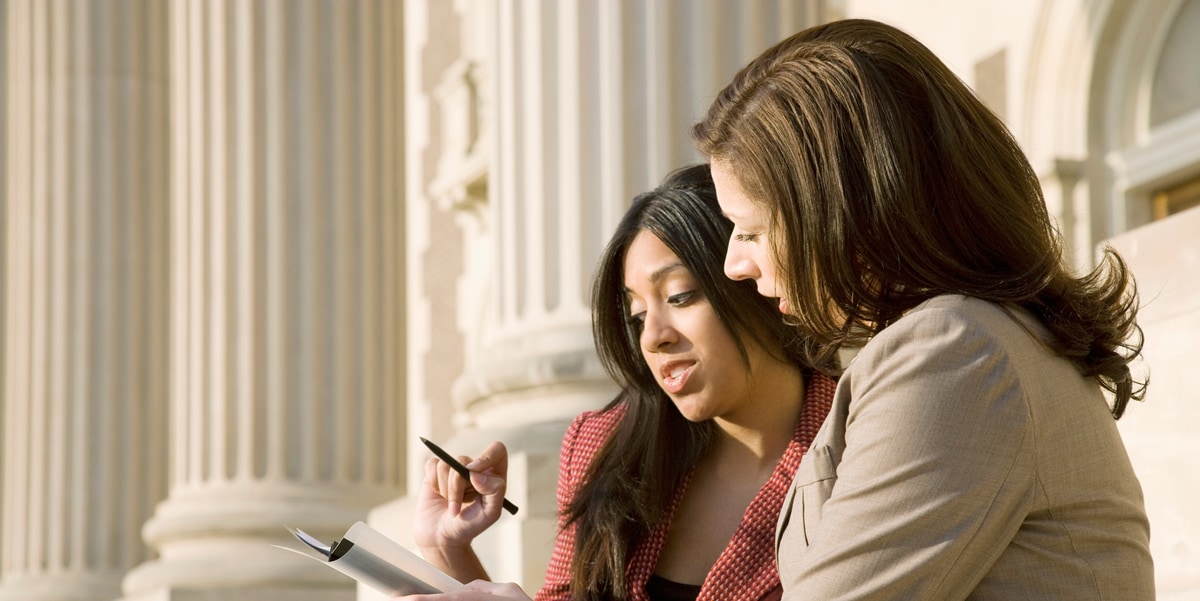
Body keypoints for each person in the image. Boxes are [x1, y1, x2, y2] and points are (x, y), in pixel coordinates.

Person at [691, 18, 1155, 601]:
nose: (735, 264)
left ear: (847, 211)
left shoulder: (955, 350)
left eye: (751, 230)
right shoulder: (968, 339)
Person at [398, 164, 837, 601]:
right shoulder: (605, 449)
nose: (654, 336)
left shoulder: (859, 443)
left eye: (679, 296)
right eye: (638, 316)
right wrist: (448, 549)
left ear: (752, 277)